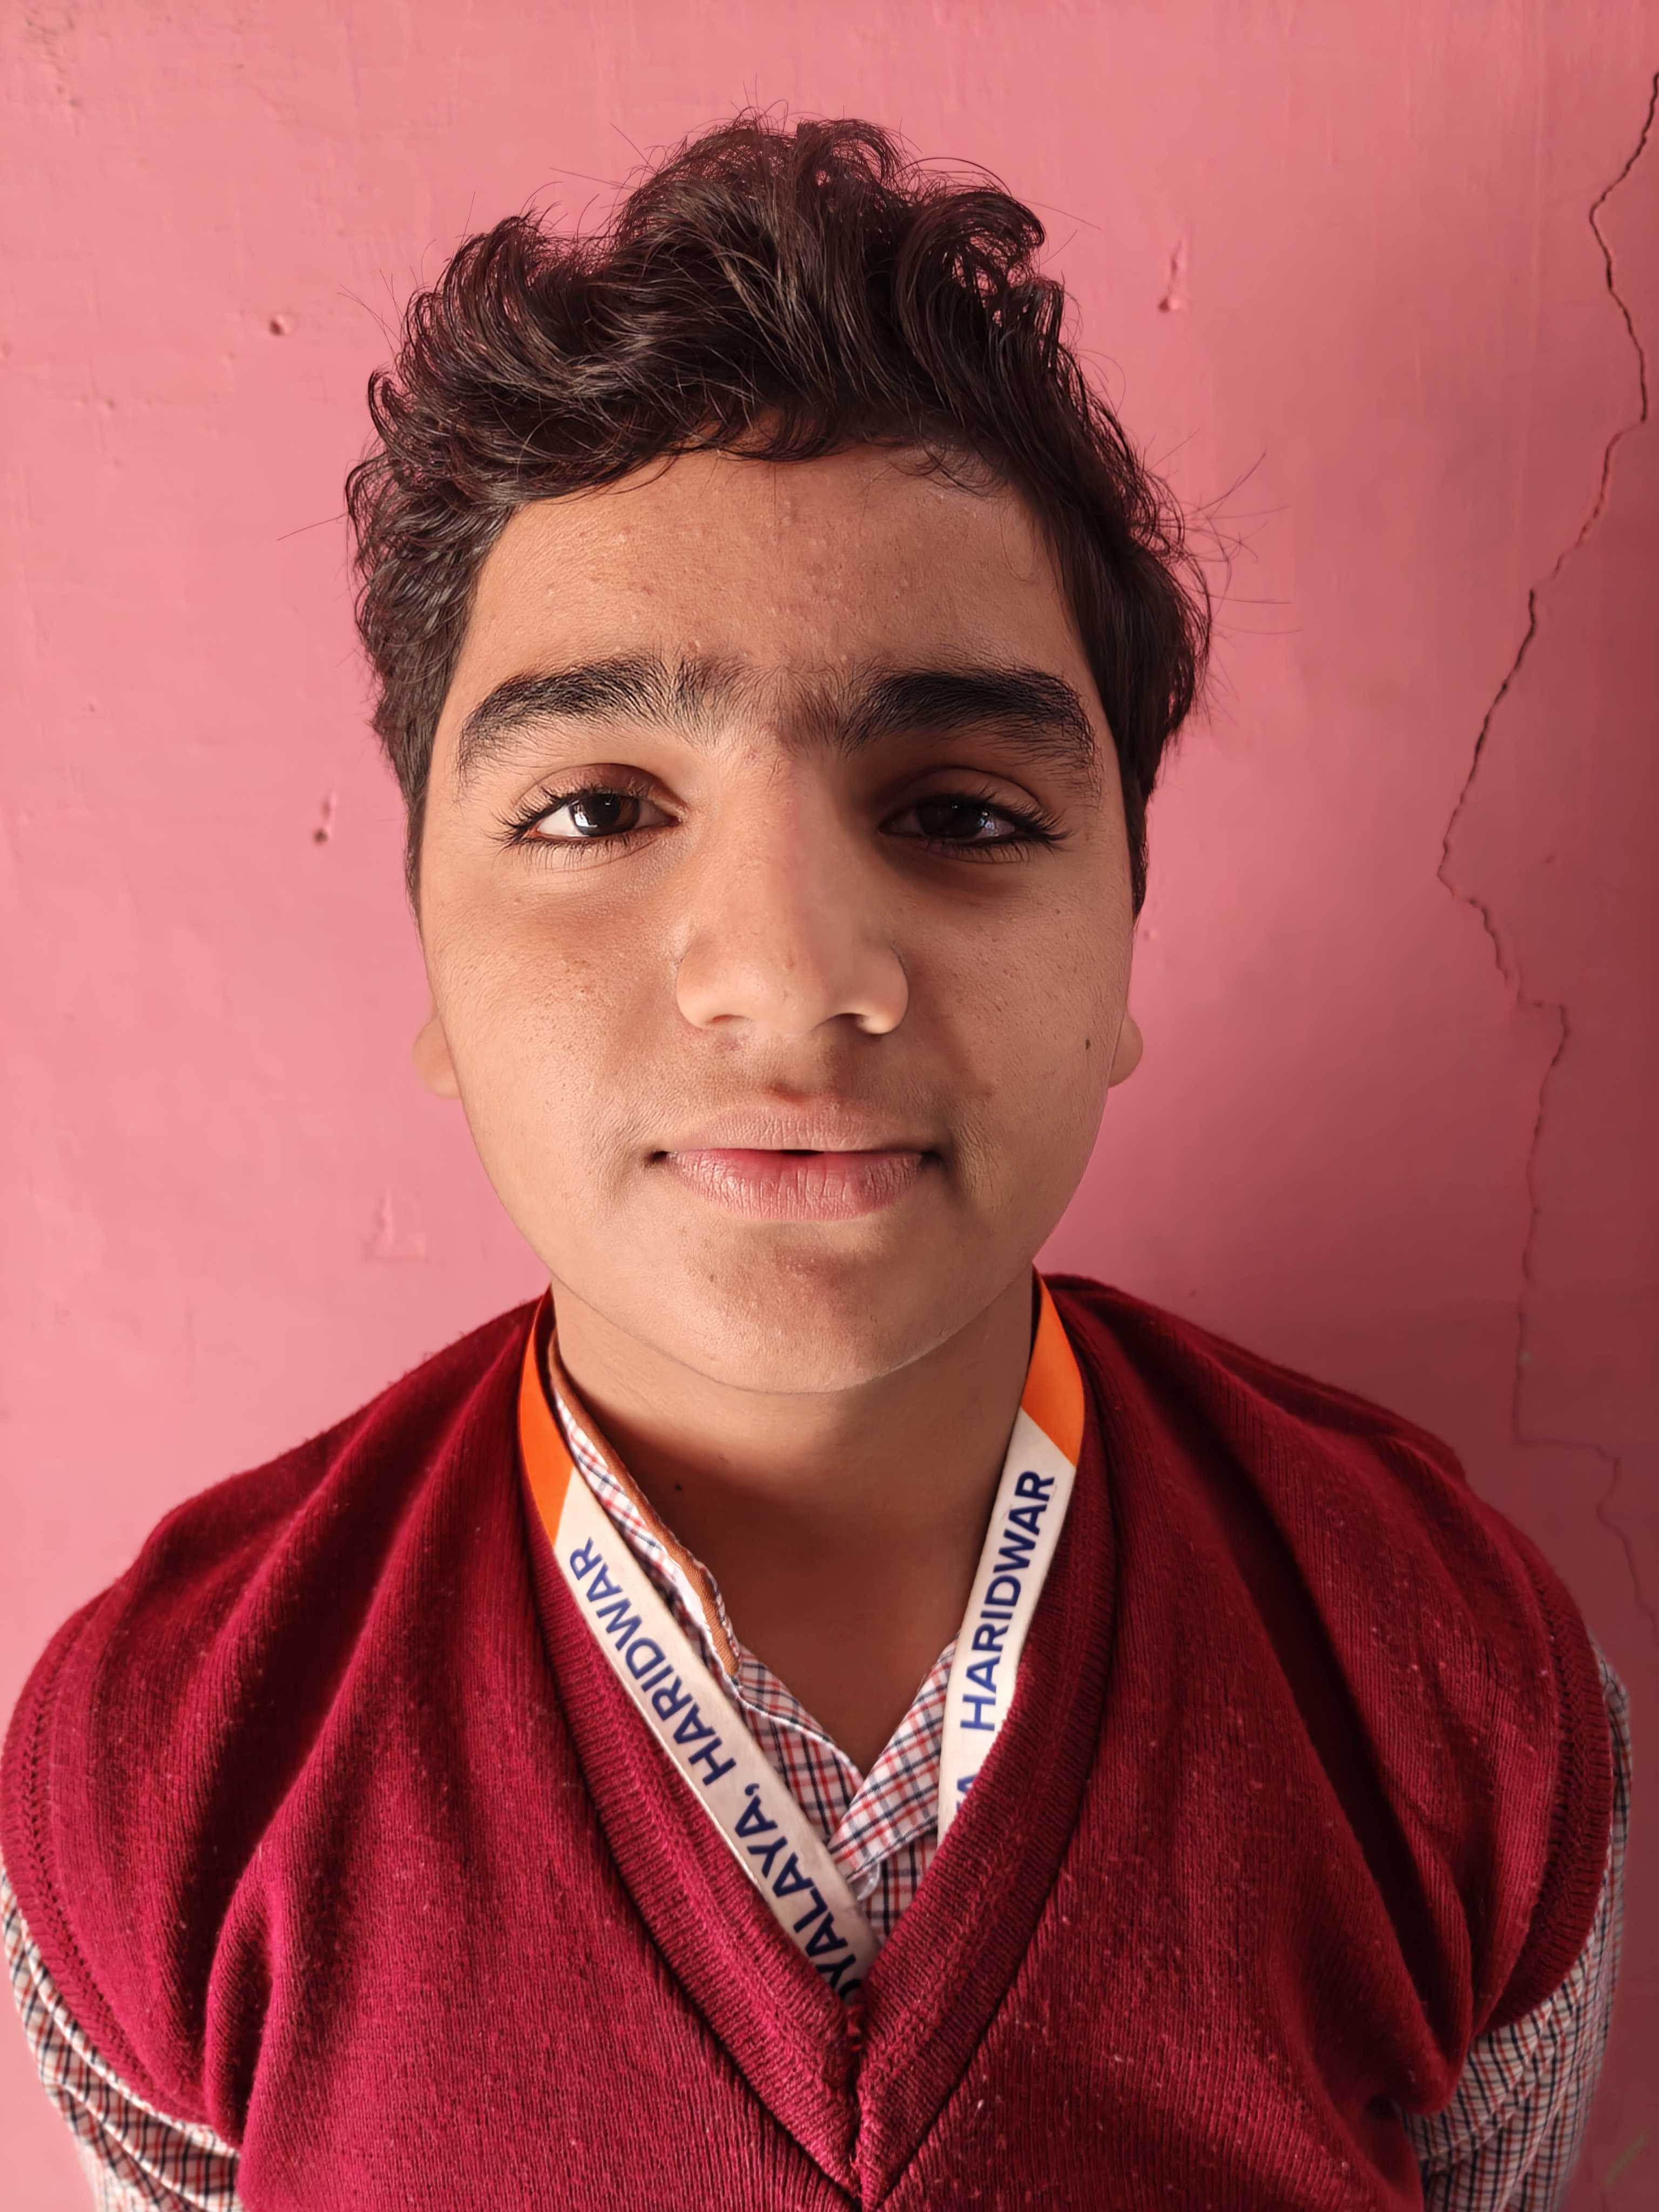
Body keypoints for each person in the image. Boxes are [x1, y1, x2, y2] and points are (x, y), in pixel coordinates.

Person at [1, 114, 1627, 2212]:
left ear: (1128, 939)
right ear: (427, 957)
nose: (788, 977)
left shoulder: (1454, 1688)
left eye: (959, 813)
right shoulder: (168, 1760)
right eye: (596, 810)